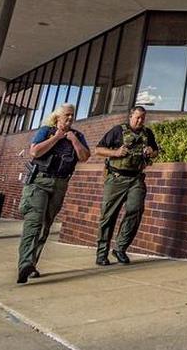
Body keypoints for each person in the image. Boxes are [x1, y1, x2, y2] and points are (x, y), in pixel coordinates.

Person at [17, 103, 90, 283]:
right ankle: (25, 264)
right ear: (58, 117)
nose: (70, 118)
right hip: (39, 182)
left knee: (45, 225)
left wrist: (73, 140)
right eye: (67, 115)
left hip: (60, 184)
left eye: (72, 115)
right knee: (34, 222)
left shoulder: (78, 136)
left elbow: (84, 157)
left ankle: (31, 264)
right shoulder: (46, 131)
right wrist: (56, 138)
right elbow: (34, 151)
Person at [94, 105, 159, 266]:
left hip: (136, 179)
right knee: (108, 216)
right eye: (137, 117)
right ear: (131, 116)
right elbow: (98, 150)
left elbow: (156, 151)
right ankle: (102, 253)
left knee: (135, 210)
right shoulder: (117, 131)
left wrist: (152, 152)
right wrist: (115, 153)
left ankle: (120, 248)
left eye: (143, 118)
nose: (140, 120)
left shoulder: (147, 133)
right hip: (116, 178)